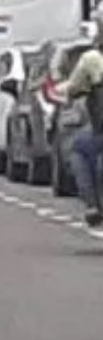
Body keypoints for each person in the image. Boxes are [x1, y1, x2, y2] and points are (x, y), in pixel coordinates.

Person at [56, 18, 103, 225]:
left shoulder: (92, 59)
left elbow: (73, 89)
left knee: (79, 150)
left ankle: (92, 205)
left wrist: (66, 92)